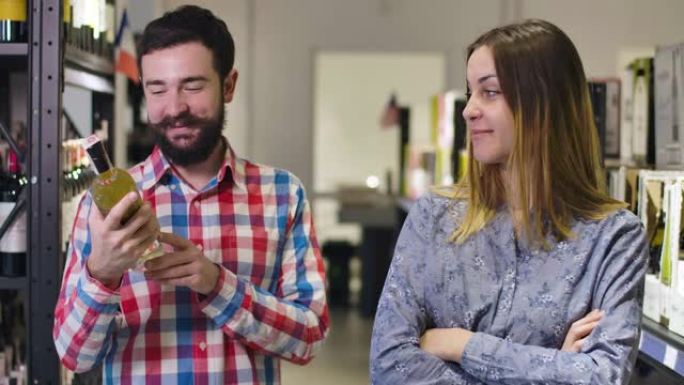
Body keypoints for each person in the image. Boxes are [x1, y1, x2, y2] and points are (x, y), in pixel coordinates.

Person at [53, 5, 329, 384]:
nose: (175, 108)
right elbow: (74, 356)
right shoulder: (103, 208)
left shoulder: (283, 195)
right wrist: (103, 272)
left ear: (228, 85)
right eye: (157, 89)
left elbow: (309, 337)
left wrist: (218, 284)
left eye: (193, 86)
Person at [370, 19, 647, 385]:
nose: (469, 109)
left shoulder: (614, 238)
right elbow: (389, 366)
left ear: (544, 104)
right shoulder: (434, 216)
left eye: (490, 92)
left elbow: (603, 377)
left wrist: (461, 345)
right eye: (471, 92)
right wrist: (551, 367)